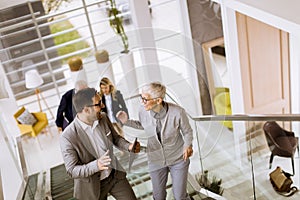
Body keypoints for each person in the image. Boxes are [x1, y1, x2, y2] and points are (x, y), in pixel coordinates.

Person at [60, 87, 140, 200]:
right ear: (86, 110)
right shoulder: (68, 137)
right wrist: (96, 165)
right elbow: (72, 170)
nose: (103, 106)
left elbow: (116, 139)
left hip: (115, 176)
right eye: (98, 104)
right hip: (92, 187)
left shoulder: (103, 117)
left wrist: (129, 146)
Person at [117, 82, 193, 200]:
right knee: (158, 197)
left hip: (177, 159)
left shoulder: (178, 112)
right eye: (141, 98)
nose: (142, 102)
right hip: (155, 160)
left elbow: (187, 132)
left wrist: (187, 145)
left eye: (145, 99)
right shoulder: (143, 110)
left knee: (180, 196)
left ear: (158, 100)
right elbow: (144, 125)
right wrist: (127, 121)